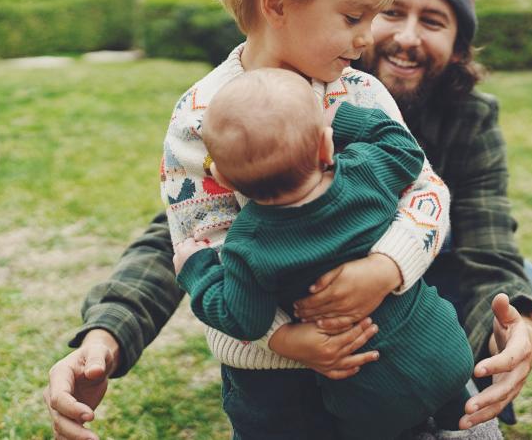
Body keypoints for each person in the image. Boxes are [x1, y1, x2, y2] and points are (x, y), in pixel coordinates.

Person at [45, 0, 532, 440]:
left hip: (398, 337)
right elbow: (198, 251)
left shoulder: (359, 92)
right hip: (276, 384)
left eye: (430, 20)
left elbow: (429, 192)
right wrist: (281, 341)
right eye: (356, 18)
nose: (368, 40)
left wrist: (385, 268)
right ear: (278, 1)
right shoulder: (201, 117)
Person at [173, 68, 480, 439]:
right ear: (325, 146)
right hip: (446, 351)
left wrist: (196, 269)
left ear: (221, 178)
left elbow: (243, 320)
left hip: (371, 402)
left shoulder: (248, 245)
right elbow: (405, 150)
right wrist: (345, 117)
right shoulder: (365, 173)